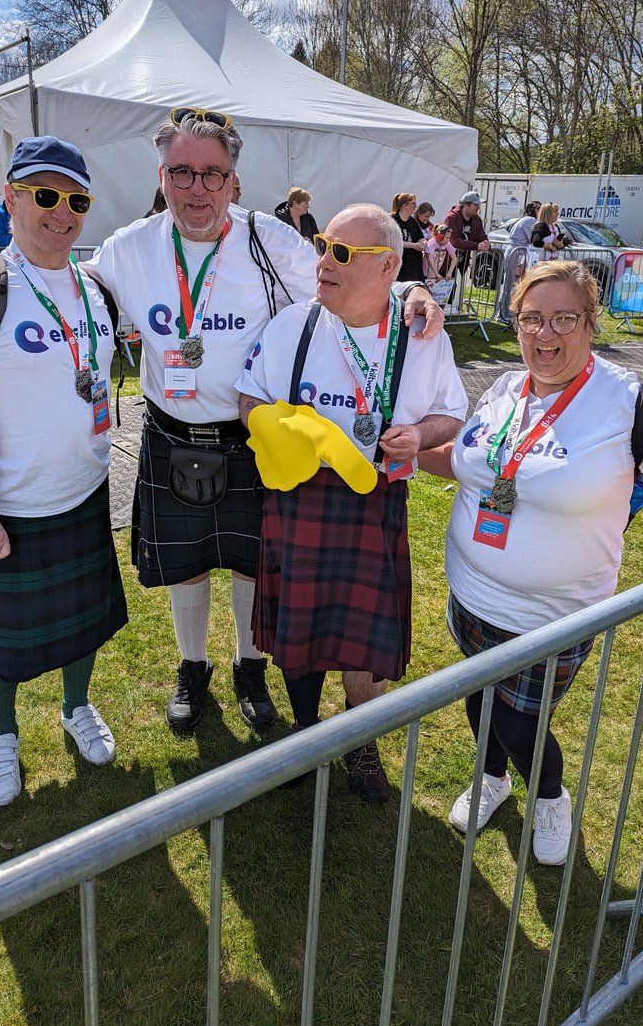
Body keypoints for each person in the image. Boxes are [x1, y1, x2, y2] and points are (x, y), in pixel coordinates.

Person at [84, 107, 441, 736]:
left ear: (235, 181)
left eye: (213, 175)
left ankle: (251, 668)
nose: (198, 189)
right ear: (161, 175)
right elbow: (70, 288)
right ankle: (193, 668)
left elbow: (354, 278)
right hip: (172, 430)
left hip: (255, 437)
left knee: (252, 561)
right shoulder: (128, 248)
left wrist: (413, 291)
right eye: (183, 173)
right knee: (188, 565)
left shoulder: (271, 241)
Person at [419, 260, 643, 864]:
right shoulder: (506, 390)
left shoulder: (633, 403)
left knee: (521, 725)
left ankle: (550, 796)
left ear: (591, 324)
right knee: (482, 699)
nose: (545, 333)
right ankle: (490, 779)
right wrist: (399, 456)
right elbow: (466, 465)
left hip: (555, 616)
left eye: (564, 317)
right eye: (531, 318)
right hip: (473, 594)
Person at [237, 204, 467, 800]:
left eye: (341, 253)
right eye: (322, 246)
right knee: (299, 628)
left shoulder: (421, 335)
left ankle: (360, 741)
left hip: (375, 500)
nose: (323, 263)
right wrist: (282, 429)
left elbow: (452, 411)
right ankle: (307, 733)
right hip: (301, 499)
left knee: (362, 640)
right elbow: (247, 397)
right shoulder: (293, 325)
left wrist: (420, 436)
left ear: (389, 266)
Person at [0, 135, 128, 807]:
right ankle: (1, 734)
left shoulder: (95, 286)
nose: (61, 211)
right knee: (3, 645)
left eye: (75, 198)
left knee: (83, 620)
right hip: (11, 505)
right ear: (11, 198)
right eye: (44, 195)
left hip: (83, 492)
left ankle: (77, 707)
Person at [495, 201, 540, 324]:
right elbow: (533, 239)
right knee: (510, 285)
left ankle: (506, 312)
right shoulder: (530, 221)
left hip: (517, 252)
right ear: (535, 210)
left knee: (512, 284)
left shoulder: (525, 220)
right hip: (516, 253)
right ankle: (504, 313)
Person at [390, 193, 426, 282]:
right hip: (399, 264)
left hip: (413, 265)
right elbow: (394, 241)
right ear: (404, 206)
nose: (415, 206)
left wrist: (423, 243)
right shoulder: (392, 220)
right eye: (413, 204)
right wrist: (414, 245)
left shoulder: (412, 221)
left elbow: (421, 237)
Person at [528, 202, 566, 268]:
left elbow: (562, 242)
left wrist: (561, 245)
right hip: (539, 263)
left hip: (552, 263)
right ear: (548, 213)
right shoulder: (541, 225)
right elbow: (536, 241)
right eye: (555, 211)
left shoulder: (556, 226)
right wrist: (551, 247)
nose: (558, 214)